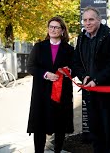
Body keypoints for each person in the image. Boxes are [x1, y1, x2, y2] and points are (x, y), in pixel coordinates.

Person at [72, 6, 110, 153]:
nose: (87, 23)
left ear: (99, 20)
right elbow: (76, 62)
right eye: (85, 20)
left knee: (109, 131)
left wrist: (97, 80)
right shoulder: (82, 37)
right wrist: (84, 77)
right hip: (90, 93)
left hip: (107, 94)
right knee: (95, 131)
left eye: (91, 19)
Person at [27, 16, 74, 153]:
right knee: (40, 126)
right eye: (51, 27)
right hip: (41, 92)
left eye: (57, 27)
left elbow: (75, 67)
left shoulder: (69, 49)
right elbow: (30, 66)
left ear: (63, 30)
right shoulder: (39, 47)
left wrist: (70, 71)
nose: (53, 29)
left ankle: (58, 151)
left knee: (60, 125)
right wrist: (45, 74)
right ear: (48, 29)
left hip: (62, 93)